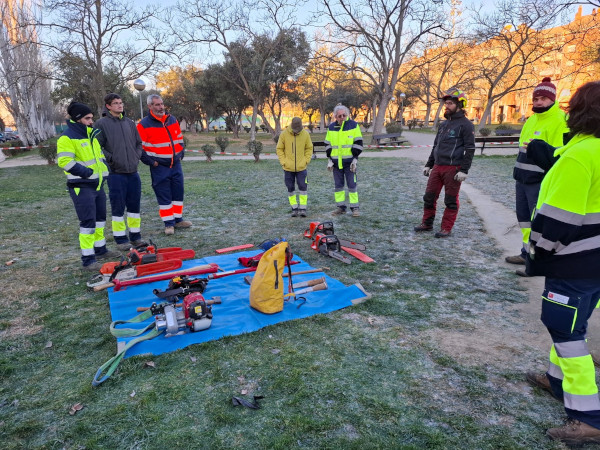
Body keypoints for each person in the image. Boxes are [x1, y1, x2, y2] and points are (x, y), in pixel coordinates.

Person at [524, 81, 600, 445]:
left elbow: (558, 219)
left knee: (564, 328)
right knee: (574, 322)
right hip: (595, 261)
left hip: (575, 262)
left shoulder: (580, 155)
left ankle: (587, 416)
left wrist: (538, 252)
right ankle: (557, 382)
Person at [504, 78, 568, 277]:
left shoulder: (560, 119)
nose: (538, 102)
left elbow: (558, 154)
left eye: (543, 99)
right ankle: (526, 253)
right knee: (524, 220)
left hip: (540, 181)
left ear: (552, 99)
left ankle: (536, 262)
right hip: (522, 178)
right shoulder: (532, 119)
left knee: (538, 222)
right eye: (536, 99)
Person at [56, 101, 119, 270]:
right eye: (87, 118)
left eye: (91, 117)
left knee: (99, 221)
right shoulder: (66, 138)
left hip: (98, 186)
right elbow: (64, 161)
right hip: (82, 186)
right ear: (77, 119)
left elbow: (99, 158)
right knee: (88, 223)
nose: (91, 121)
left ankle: (100, 249)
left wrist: (104, 169)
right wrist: (86, 173)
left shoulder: (91, 135)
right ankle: (88, 259)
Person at [414, 88, 475, 237]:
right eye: (445, 103)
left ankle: (446, 228)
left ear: (460, 105)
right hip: (438, 167)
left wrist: (464, 170)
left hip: (454, 169)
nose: (446, 106)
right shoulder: (444, 125)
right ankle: (427, 223)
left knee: (450, 200)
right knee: (429, 197)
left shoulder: (466, 125)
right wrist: (429, 164)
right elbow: (436, 146)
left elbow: (470, 149)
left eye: (450, 103)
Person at [94, 93, 145, 251]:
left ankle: (136, 236)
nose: (119, 105)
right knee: (118, 207)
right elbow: (97, 147)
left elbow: (138, 143)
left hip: (133, 172)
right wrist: (112, 160)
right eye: (115, 103)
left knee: (134, 206)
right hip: (116, 174)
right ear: (108, 106)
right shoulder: (101, 124)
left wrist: (136, 156)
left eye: (121, 102)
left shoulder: (130, 123)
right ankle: (120, 238)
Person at [137, 94, 191, 235]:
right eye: (157, 105)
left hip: (175, 165)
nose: (161, 107)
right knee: (164, 195)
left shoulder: (171, 119)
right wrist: (151, 162)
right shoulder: (144, 124)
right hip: (159, 167)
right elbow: (139, 148)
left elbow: (179, 138)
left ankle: (178, 220)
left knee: (178, 193)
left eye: (161, 104)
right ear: (150, 106)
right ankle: (168, 224)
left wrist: (181, 153)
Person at [324, 104, 363, 217]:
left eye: (344, 115)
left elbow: (359, 143)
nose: (342, 118)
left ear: (347, 115)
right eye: (339, 116)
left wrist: (355, 158)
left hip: (350, 163)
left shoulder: (354, 126)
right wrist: (330, 158)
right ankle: (341, 207)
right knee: (338, 187)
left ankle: (355, 208)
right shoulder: (331, 127)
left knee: (352, 186)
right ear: (335, 117)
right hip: (336, 164)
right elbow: (327, 143)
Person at [276, 117, 313, 217]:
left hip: (302, 168)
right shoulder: (284, 134)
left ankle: (303, 209)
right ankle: (294, 208)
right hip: (288, 168)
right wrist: (284, 162)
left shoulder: (305, 134)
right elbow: (279, 149)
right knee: (290, 188)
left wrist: (306, 160)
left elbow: (309, 148)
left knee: (303, 188)